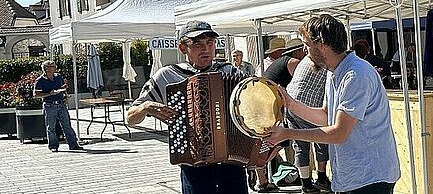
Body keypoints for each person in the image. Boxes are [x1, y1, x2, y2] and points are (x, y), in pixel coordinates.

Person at [265, 14, 400, 194]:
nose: (305, 51)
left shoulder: (356, 75)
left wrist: (287, 133)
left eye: (307, 45)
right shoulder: (334, 71)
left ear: (321, 45)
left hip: (370, 179)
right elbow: (325, 116)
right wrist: (290, 103)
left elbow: (339, 133)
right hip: (354, 177)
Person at [127, 20, 248, 194]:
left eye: (209, 43)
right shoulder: (167, 76)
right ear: (183, 48)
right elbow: (130, 118)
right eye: (197, 44)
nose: (206, 49)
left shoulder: (230, 72)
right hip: (194, 164)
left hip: (232, 162)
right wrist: (146, 106)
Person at [252, 38, 306, 192]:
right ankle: (257, 167)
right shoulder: (293, 62)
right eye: (303, 49)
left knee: (273, 142)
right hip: (270, 108)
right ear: (296, 51)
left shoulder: (280, 62)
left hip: (266, 106)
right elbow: (300, 86)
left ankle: (260, 177)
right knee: (275, 143)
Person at [286, 55, 331, 193]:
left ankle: (305, 183)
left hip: (291, 103)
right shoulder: (328, 60)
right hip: (309, 105)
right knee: (321, 140)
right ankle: (322, 177)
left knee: (300, 145)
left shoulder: (307, 58)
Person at [33, 60, 83, 152]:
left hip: (61, 104)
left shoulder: (58, 76)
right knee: (50, 127)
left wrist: (64, 91)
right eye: (52, 66)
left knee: (67, 125)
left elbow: (61, 87)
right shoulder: (40, 80)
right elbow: (36, 94)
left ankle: (73, 144)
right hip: (49, 105)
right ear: (47, 69)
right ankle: (53, 146)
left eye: (54, 66)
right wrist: (49, 94)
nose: (55, 67)